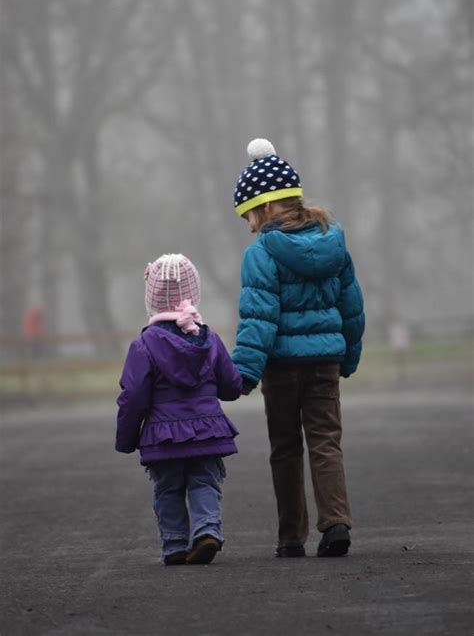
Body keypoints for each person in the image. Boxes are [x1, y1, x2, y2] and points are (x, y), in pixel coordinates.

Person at [232, 139, 365, 559]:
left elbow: (259, 318)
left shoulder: (262, 253)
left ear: (265, 206)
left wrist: (245, 372)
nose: (250, 224)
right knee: (326, 441)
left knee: (285, 447)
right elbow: (351, 305)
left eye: (250, 213)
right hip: (325, 360)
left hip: (282, 366)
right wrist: (350, 354)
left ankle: (291, 537)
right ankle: (336, 523)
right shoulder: (333, 241)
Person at [115, 253, 242, 566]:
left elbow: (133, 396)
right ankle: (207, 531)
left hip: (163, 434)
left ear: (153, 300)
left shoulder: (143, 345)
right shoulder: (209, 339)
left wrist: (127, 438)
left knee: (168, 488)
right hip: (207, 430)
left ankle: (174, 545)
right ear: (193, 294)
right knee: (204, 482)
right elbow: (231, 385)